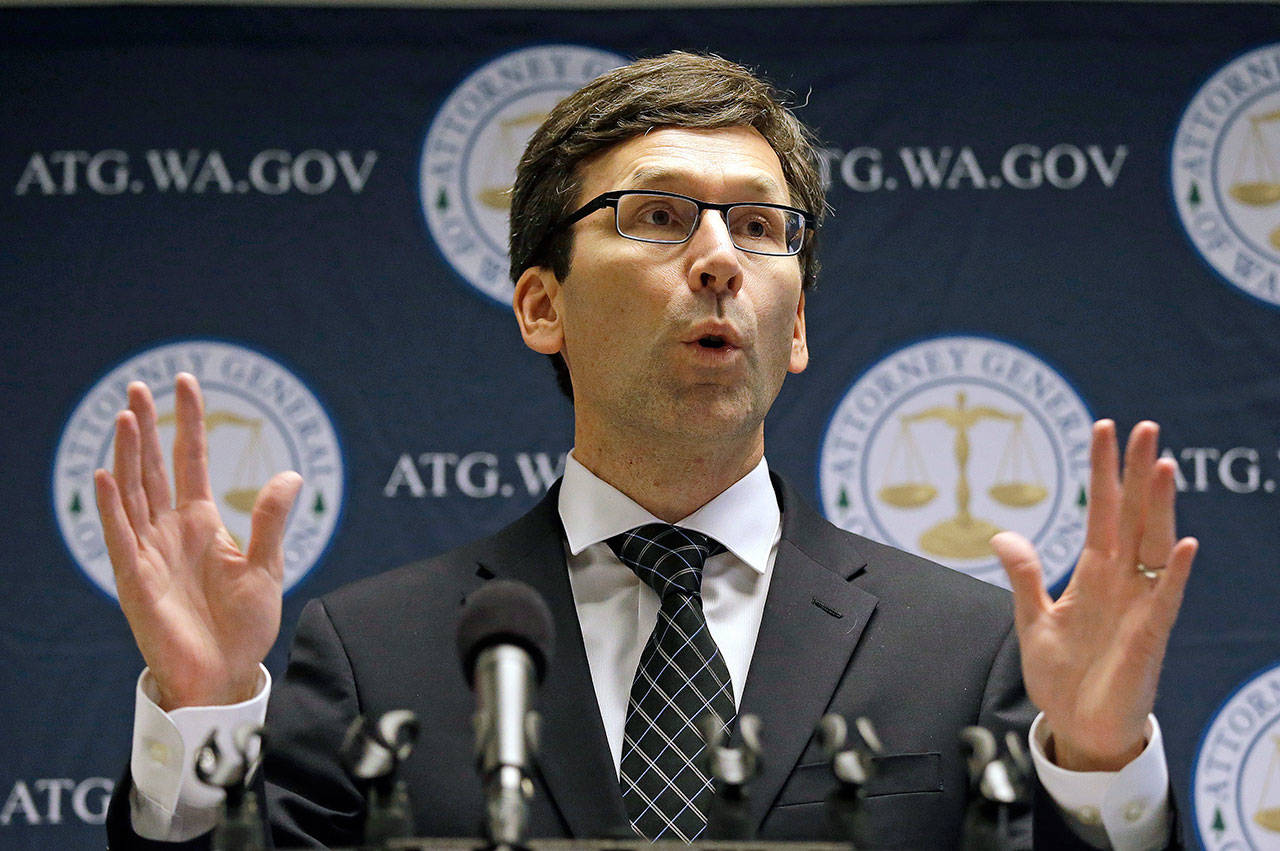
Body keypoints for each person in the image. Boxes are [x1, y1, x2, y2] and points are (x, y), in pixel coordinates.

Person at [99, 53, 1196, 849]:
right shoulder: (370, 652)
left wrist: (1101, 769)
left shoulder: (962, 651)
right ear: (542, 304)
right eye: (658, 216)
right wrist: (198, 718)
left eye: (760, 227)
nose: (719, 258)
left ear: (798, 323)